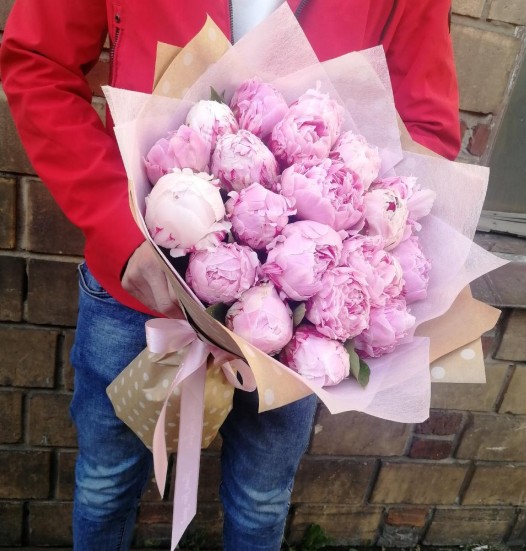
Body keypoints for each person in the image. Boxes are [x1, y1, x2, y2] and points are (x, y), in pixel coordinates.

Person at [0, 1, 460, 550]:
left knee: (260, 503)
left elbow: (425, 131)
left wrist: (362, 242)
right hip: (141, 281)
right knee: (105, 486)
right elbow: (38, 61)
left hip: (305, 311)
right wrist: (116, 226)